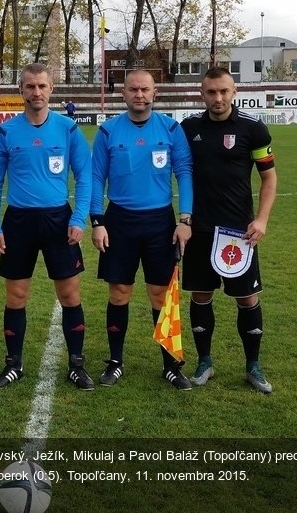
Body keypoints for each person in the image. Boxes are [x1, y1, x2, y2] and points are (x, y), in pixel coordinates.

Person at [0, 63, 94, 391]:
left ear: (51, 89)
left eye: (42, 86)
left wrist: (78, 218)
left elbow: (85, 176)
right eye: (30, 86)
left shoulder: (68, 129)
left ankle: (76, 364)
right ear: (21, 90)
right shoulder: (6, 132)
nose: (36, 92)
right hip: (18, 221)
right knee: (16, 295)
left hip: (59, 220)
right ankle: (13, 363)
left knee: (69, 293)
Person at [90, 69, 194, 390]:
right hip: (119, 221)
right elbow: (96, 177)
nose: (139, 94)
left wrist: (185, 219)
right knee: (119, 293)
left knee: (161, 294)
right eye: (133, 89)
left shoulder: (171, 129)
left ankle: (171, 365)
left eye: (145, 89)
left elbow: (185, 172)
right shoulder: (108, 132)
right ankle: (116, 361)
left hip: (160, 222)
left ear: (154, 93)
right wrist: (97, 221)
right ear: (124, 93)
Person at [180, 66, 277, 394]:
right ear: (202, 93)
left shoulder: (253, 129)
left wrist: (261, 220)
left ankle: (253, 365)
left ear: (234, 92)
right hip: (199, 231)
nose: (218, 98)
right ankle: (204, 360)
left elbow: (269, 178)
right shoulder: (189, 128)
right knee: (200, 295)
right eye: (211, 92)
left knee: (247, 298)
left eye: (224, 91)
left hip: (238, 232)